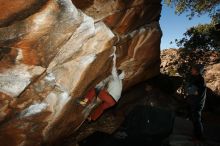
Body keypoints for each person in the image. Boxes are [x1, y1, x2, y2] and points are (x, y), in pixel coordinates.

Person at [186, 64, 206, 140]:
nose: (191, 70)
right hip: (193, 102)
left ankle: (199, 137)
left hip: (197, 103)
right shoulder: (194, 78)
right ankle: (196, 135)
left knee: (196, 120)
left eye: (193, 69)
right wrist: (189, 89)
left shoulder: (200, 79)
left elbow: (196, 92)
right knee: (194, 119)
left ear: (197, 71)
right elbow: (189, 89)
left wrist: (189, 89)